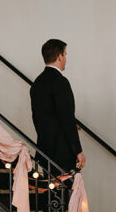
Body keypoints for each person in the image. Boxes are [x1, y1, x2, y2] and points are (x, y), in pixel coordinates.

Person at [30, 38, 86, 173]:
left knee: (49, 192)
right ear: (59, 56)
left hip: (44, 152)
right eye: (65, 54)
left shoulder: (37, 83)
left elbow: (36, 118)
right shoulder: (60, 82)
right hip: (63, 154)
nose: (66, 58)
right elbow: (67, 118)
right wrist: (78, 151)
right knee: (66, 192)